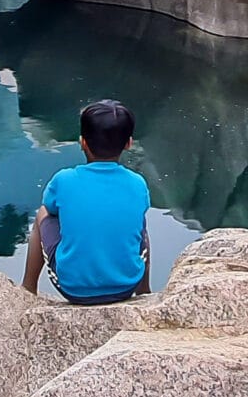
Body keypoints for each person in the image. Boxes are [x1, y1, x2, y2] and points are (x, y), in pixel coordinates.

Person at [20, 99, 151, 304]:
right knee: (140, 224)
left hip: (73, 289)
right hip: (127, 286)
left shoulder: (64, 180)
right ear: (129, 143)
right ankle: (143, 290)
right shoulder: (138, 183)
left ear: (82, 142)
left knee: (43, 214)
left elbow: (51, 209)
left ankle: (28, 288)